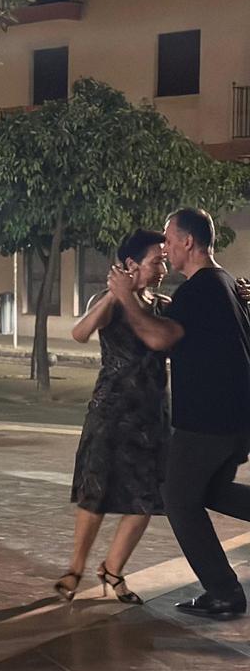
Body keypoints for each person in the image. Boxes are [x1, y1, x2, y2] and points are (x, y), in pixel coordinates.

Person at [110, 208, 250, 620]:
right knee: (210, 491)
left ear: (188, 242)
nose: (166, 248)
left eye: (170, 239)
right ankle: (222, 589)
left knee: (178, 499)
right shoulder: (224, 283)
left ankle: (224, 592)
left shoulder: (199, 289)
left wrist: (124, 298)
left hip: (209, 419)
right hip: (237, 417)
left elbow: (158, 337)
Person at [53, 229, 170, 603]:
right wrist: (115, 293)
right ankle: (75, 569)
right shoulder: (109, 303)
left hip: (151, 415)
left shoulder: (164, 305)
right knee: (95, 494)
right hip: (110, 412)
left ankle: (113, 569)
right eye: (156, 260)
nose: (163, 267)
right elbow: (80, 332)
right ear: (132, 264)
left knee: (147, 498)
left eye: (165, 260)